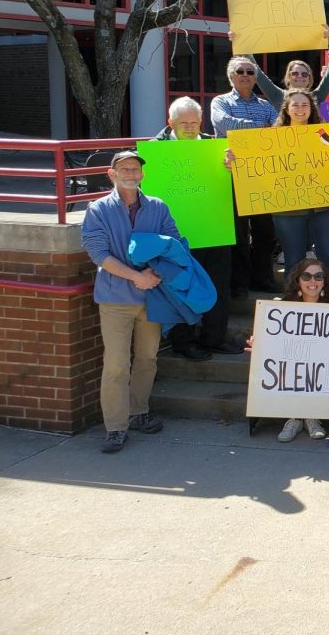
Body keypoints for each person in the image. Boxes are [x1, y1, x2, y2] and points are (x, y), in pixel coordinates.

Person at [81, 150, 180, 453]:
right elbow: (99, 255)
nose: (130, 174)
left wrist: (153, 272)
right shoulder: (97, 210)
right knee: (116, 364)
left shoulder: (158, 207)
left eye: (135, 169)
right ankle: (115, 427)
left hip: (152, 296)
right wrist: (135, 276)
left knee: (148, 358)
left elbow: (173, 242)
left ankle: (139, 411)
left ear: (142, 174)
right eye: (124, 169)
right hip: (115, 299)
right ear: (111, 174)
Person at [150, 97, 242, 361]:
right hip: (175, 236)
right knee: (178, 287)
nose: (190, 128)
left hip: (214, 230)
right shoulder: (155, 151)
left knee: (218, 284)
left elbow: (234, 183)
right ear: (170, 123)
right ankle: (184, 341)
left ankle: (215, 337)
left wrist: (231, 167)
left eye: (194, 122)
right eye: (183, 123)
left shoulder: (215, 148)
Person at [228, 90, 329, 285]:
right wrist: (232, 160)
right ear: (287, 110)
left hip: (323, 208)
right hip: (288, 210)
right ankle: (293, 299)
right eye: (295, 105)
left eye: (304, 105)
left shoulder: (324, 134)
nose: (300, 109)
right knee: (293, 260)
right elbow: (252, 163)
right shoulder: (272, 138)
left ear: (311, 109)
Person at [250, 257, 329, 443]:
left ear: (324, 280)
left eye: (318, 276)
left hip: (321, 365)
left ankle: (312, 416)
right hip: (292, 361)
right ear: (298, 280)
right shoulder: (284, 306)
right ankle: (294, 417)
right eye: (306, 276)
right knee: (288, 365)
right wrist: (260, 344)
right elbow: (273, 343)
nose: (312, 281)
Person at [210, 55, 280, 297]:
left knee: (265, 231)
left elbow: (278, 130)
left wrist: (256, 131)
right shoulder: (221, 102)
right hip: (232, 174)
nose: (246, 75)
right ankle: (239, 284)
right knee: (238, 232)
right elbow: (224, 123)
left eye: (250, 72)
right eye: (240, 71)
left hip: (261, 176)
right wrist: (260, 130)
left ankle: (262, 280)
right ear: (231, 76)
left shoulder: (265, 105)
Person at [246, 25, 329, 110]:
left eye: (304, 74)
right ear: (288, 77)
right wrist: (242, 43)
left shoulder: (317, 96)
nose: (300, 76)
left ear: (309, 79)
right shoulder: (278, 95)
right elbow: (257, 72)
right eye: (295, 73)